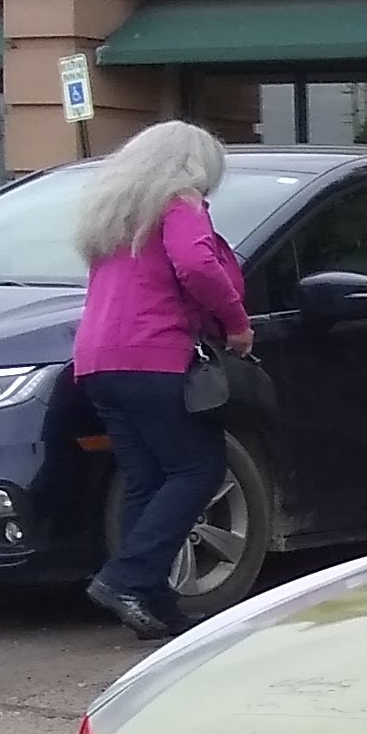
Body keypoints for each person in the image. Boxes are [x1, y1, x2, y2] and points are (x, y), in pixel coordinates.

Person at [70, 120, 254, 641]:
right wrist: (237, 323)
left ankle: (152, 602)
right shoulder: (178, 203)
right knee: (198, 468)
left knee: (147, 479)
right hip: (156, 355)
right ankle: (127, 578)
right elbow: (196, 265)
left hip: (98, 361)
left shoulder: (116, 214)